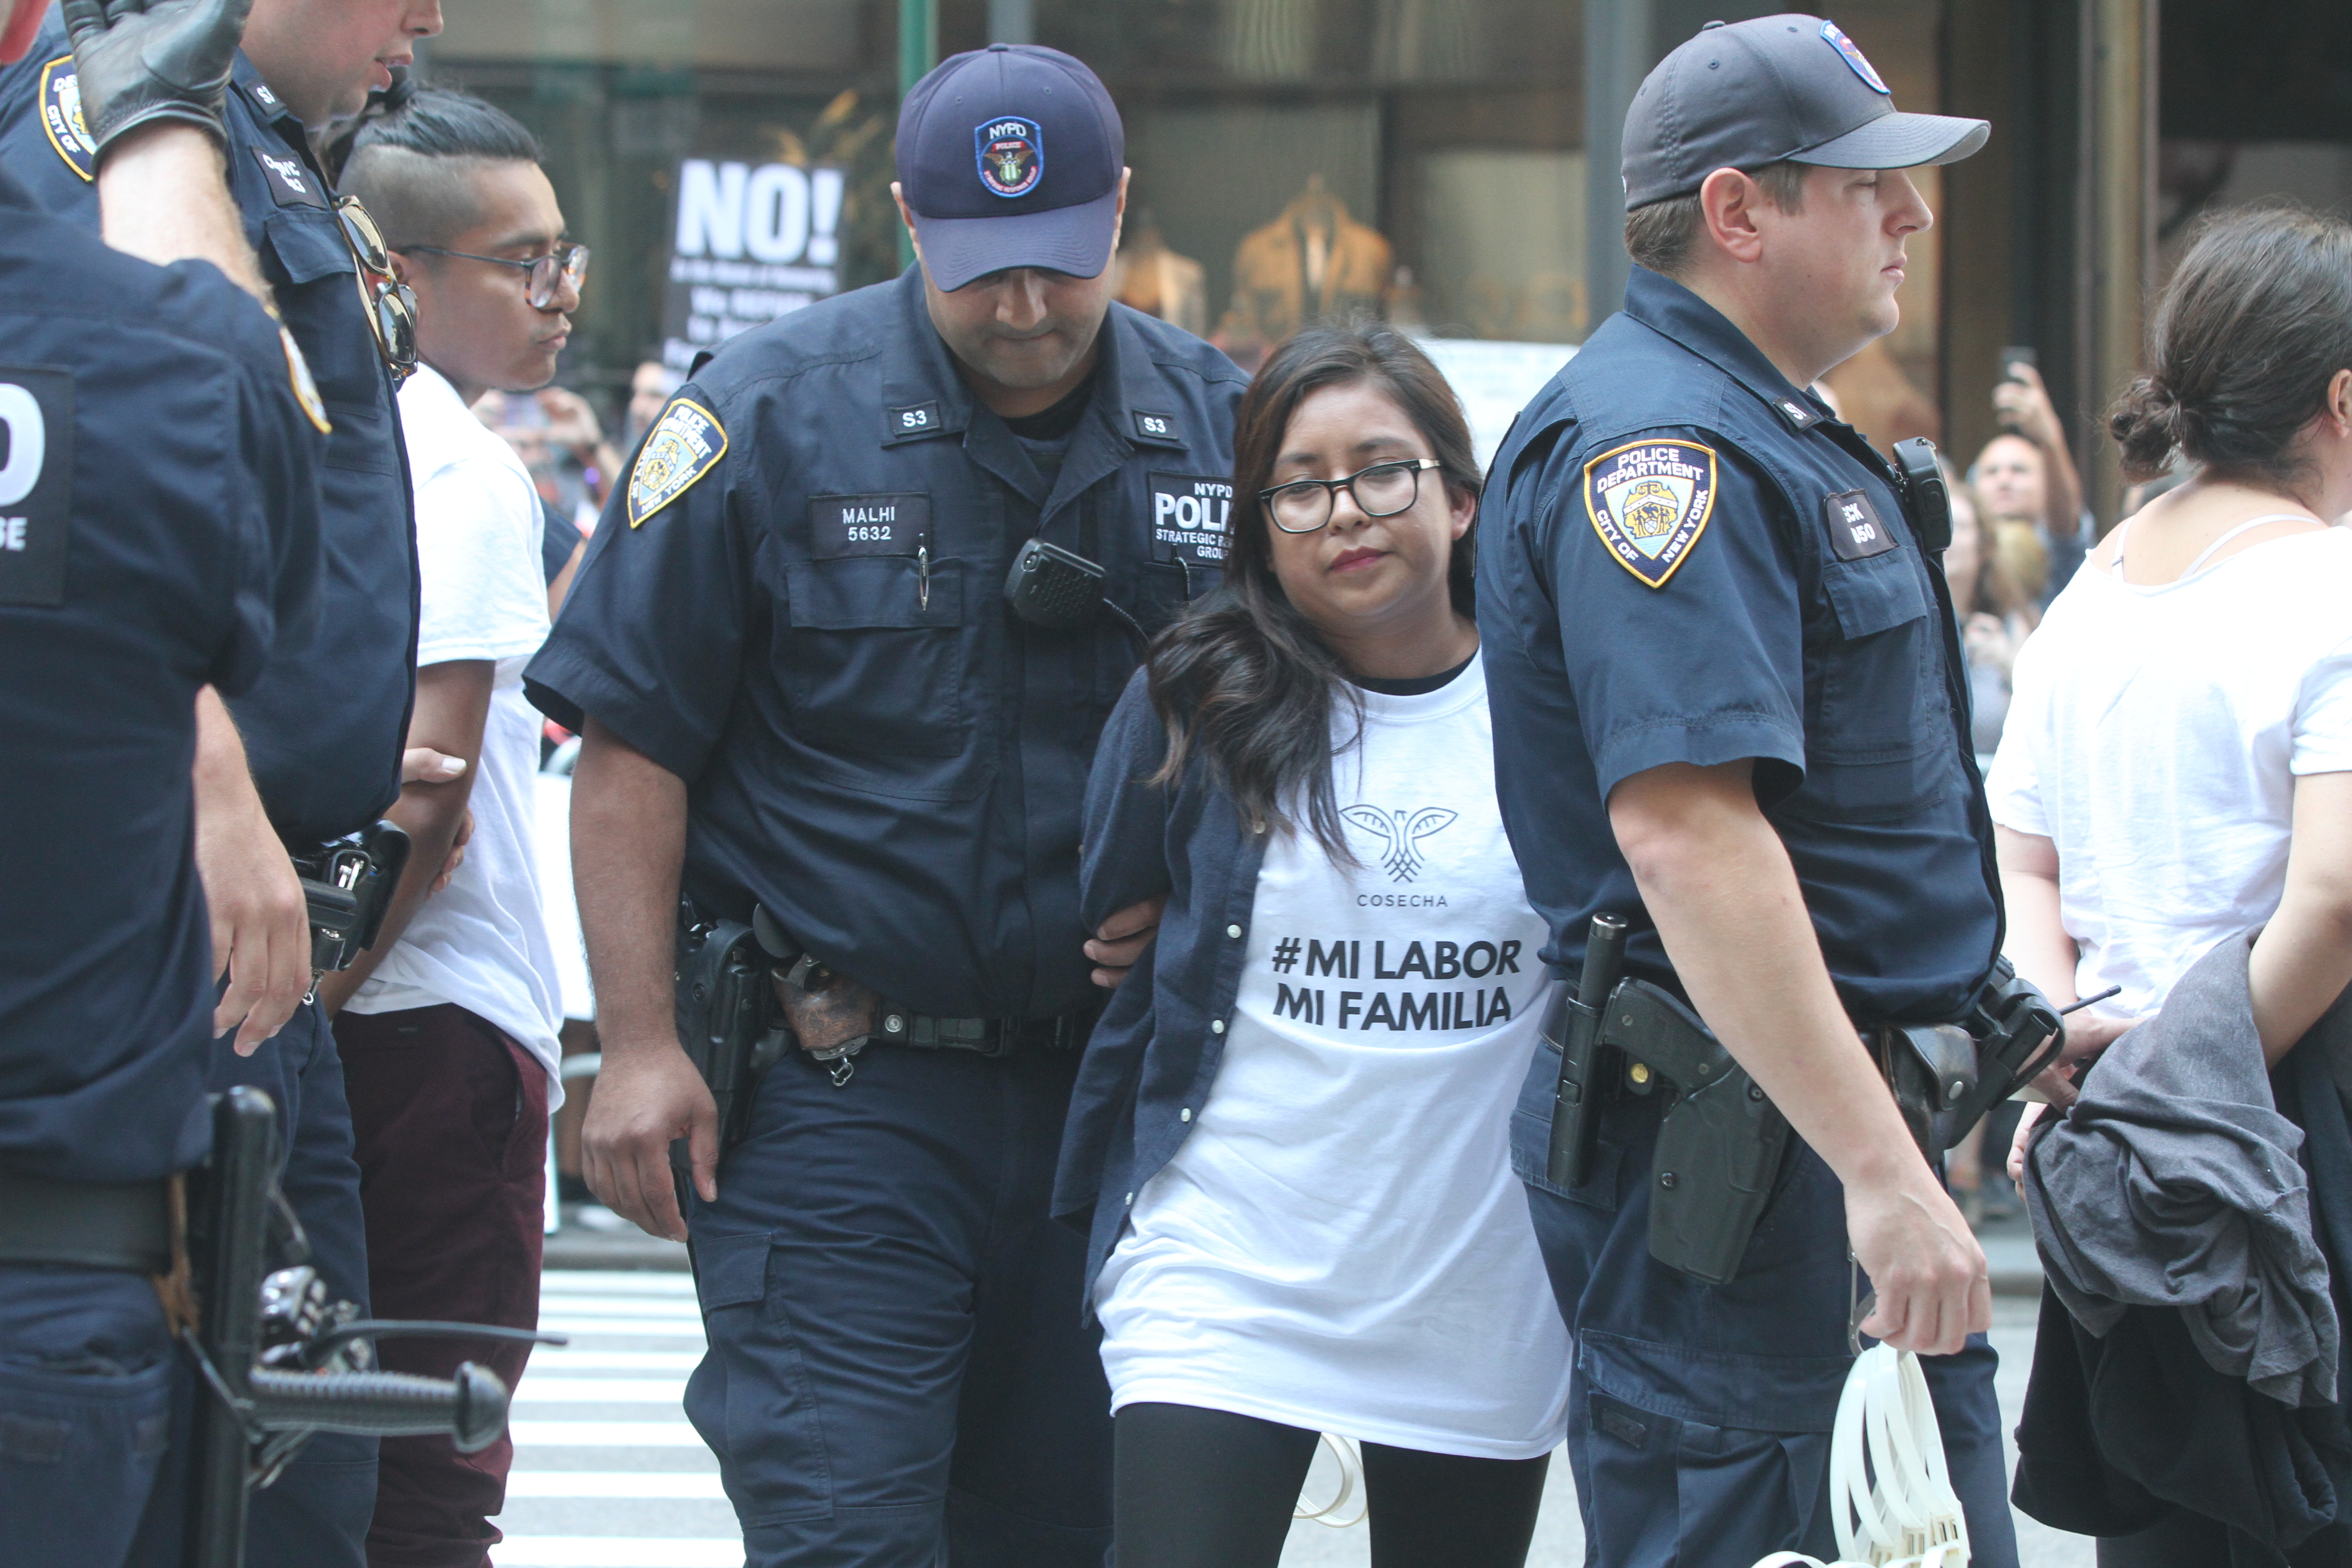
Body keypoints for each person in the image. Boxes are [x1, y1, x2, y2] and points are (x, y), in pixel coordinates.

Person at [524, 43, 1246, 1567]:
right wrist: (637, 1044)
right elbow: (631, 745)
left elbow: (1320, 740)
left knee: (1068, 1537)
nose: (1028, 307)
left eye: (1060, 262)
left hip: (1113, 1107)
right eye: (983, 271)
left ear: (1121, 209)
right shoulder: (764, 419)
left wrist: (1205, 892)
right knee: (844, 1529)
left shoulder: (1227, 433)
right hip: (842, 1097)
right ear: (908, 223)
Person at [1477, 15, 2019, 1566]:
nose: (1907, 217)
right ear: (1737, 213)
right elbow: (1686, 832)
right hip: (1750, 1161)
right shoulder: (1665, 447)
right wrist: (1874, 1170)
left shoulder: (1757, 422)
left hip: (1808, 1137)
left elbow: (1844, 829)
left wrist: (1988, 1015)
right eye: (1865, 186)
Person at [0, 3, 442, 1559]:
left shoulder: (245, 133)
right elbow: (93, 521)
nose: (429, 18)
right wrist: (212, 784)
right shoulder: (117, 129)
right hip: (165, 926)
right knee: (229, 1459)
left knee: (291, 1448)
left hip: (242, 923)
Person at [1059, 324, 1571, 1568]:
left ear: (1460, 497)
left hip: (1477, 1289)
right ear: (1259, 522)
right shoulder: (1199, 697)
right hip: (1226, 1268)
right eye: (1300, 483)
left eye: (1382, 470)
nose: (1345, 510)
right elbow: (1118, 914)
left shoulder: (1561, 706)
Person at [1992, 206, 2352, 1564]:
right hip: (2293, 1120)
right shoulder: (2331, 584)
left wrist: (2065, 1039)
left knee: (2171, 1519)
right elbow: (2332, 900)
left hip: (2116, 1142)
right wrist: (2190, 1076)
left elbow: (2025, 856)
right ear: (2341, 397)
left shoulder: (2090, 593)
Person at [317, 87, 578, 1568]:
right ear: (399, 273)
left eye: (566, 261)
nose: (556, 300)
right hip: (423, 1025)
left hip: (335, 1000)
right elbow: (434, 806)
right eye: (522, 264)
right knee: (430, 1461)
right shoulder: (460, 464)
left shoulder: (310, 416)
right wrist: (311, 1002)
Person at [1971, 358, 2087, 605]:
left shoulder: (2059, 554)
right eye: (1991, 472)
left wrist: (2050, 437)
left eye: (2019, 470)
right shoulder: (1956, 550)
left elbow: (2065, 518)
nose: (2004, 480)